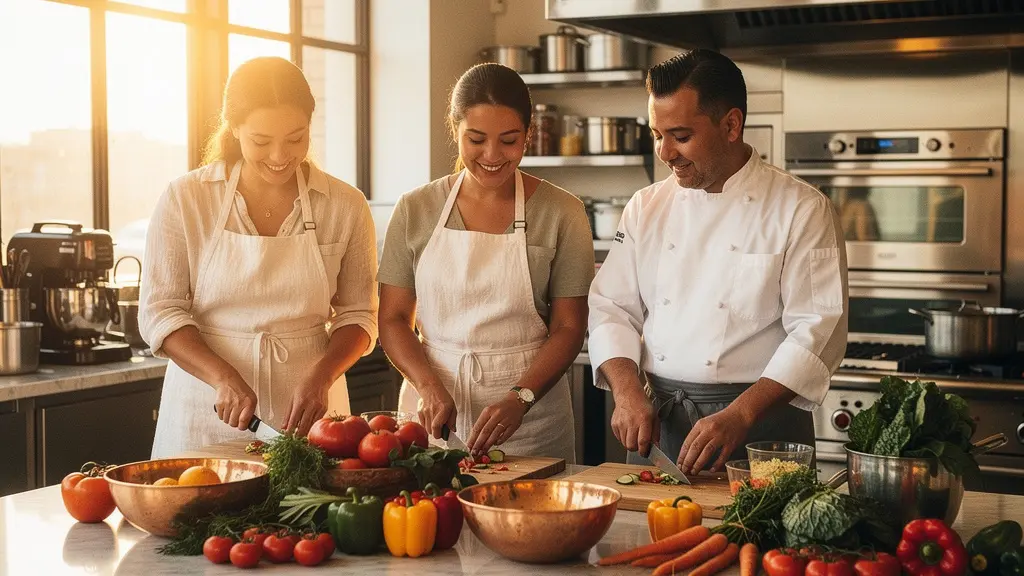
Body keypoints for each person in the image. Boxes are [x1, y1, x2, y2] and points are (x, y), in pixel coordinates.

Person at [588, 49, 848, 475]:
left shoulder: (801, 208)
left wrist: (741, 414)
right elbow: (611, 308)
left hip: (765, 429)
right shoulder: (644, 208)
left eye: (681, 135)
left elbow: (818, 330)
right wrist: (628, 391)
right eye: (657, 135)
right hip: (664, 424)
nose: (665, 152)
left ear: (731, 125)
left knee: (767, 542)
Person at [140, 57, 378, 458]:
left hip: (312, 410)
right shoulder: (187, 199)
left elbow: (358, 314)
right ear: (233, 128)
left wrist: (323, 376)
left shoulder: (344, 205)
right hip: (206, 406)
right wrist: (222, 376)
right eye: (261, 141)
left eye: (296, 137)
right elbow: (161, 312)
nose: (281, 155)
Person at [377, 63, 595, 462]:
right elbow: (392, 319)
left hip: (533, 421)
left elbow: (568, 326)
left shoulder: (563, 212)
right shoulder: (415, 209)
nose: (492, 156)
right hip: (432, 416)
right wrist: (427, 385)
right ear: (454, 129)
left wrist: (521, 397)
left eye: (509, 141)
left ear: (528, 135)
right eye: (476, 139)